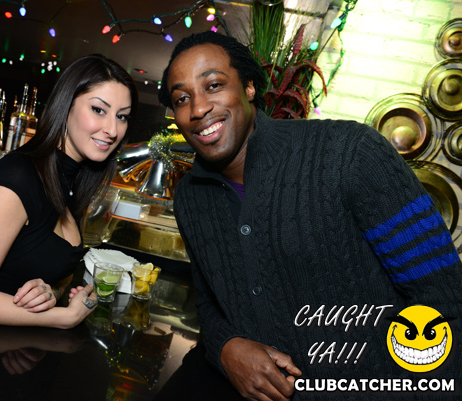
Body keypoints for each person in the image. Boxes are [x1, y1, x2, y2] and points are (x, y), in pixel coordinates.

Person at [157, 31, 462, 400]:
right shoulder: (190, 197)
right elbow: (210, 303)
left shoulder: (348, 153)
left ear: (249, 87)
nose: (198, 109)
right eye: (182, 98)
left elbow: (444, 300)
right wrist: (225, 348)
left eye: (214, 85)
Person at [0, 54, 138, 328]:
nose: (112, 130)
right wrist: (64, 316)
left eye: (122, 117)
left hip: (0, 341)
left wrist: (51, 292)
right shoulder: (16, 178)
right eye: (98, 110)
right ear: (66, 106)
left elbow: (57, 273)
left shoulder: (74, 184)